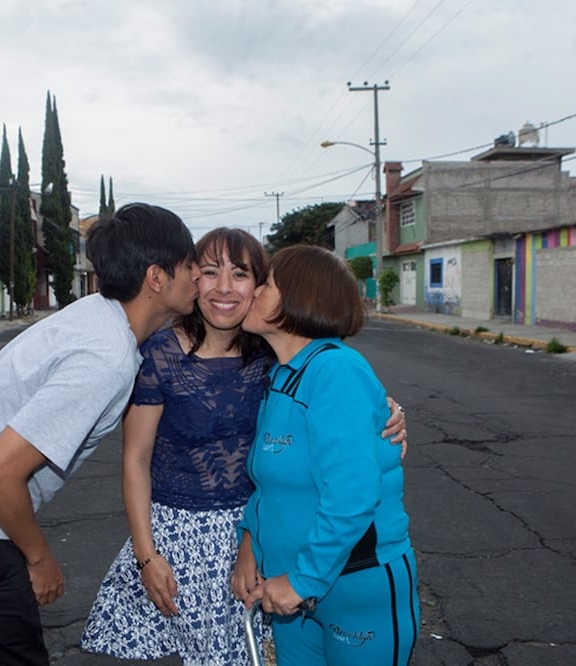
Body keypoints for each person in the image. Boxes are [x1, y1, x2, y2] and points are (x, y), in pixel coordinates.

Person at [81, 229, 408, 665]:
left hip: (327, 571)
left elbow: (351, 479)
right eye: (210, 272)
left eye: (248, 277)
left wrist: (384, 414)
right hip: (232, 555)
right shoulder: (267, 370)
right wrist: (151, 555)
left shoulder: (289, 361)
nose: (229, 289)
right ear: (193, 279)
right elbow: (255, 479)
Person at [0, 202, 199, 665]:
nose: (199, 277)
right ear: (157, 278)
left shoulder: (99, 314)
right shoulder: (104, 359)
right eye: (191, 266)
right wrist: (39, 560)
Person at [233, 244, 419, 666]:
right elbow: (269, 484)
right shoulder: (281, 376)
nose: (254, 292)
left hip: (353, 585)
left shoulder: (336, 372)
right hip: (292, 587)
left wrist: (302, 582)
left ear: (299, 299)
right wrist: (250, 541)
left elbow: (352, 496)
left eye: (267, 283)